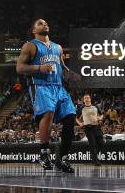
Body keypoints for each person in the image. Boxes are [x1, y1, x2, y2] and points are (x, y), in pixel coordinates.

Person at [16, 19, 77, 173]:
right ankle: (44, 153)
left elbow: (61, 66)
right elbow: (20, 67)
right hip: (40, 86)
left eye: (46, 23)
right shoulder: (30, 45)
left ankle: (62, 158)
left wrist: (70, 73)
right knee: (48, 113)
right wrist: (39, 68)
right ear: (34, 30)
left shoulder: (58, 47)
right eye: (40, 23)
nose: (45, 24)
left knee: (71, 117)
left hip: (58, 87)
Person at [76, 94, 104, 166]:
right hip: (88, 128)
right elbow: (75, 117)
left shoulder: (96, 106)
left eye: (88, 98)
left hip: (97, 127)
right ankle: (95, 160)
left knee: (101, 142)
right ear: (83, 100)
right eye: (85, 98)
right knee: (92, 144)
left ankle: (93, 156)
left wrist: (99, 118)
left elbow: (101, 115)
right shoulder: (81, 107)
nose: (87, 99)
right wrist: (80, 123)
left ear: (90, 99)